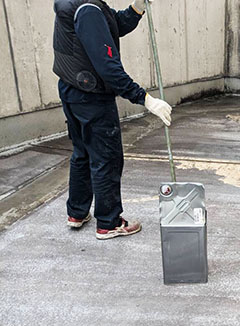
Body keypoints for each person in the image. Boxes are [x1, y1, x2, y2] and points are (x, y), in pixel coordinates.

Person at [53, 0, 172, 240]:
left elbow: (111, 24)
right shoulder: (88, 10)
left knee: (82, 153)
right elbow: (108, 66)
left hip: (72, 88)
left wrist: (136, 8)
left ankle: (77, 212)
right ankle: (109, 223)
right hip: (92, 96)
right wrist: (145, 99)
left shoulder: (79, 4)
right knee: (106, 158)